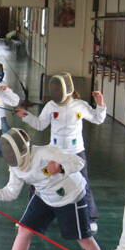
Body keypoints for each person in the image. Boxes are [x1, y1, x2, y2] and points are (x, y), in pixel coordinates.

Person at [16, 73, 106, 233]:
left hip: (76, 152)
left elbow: (98, 119)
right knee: (39, 180)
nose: (56, 92)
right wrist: (26, 116)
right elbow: (39, 124)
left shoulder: (80, 105)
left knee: (83, 183)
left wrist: (100, 104)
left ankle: (89, 218)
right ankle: (31, 219)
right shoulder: (51, 106)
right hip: (54, 153)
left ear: (67, 89)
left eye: (59, 89)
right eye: (54, 89)